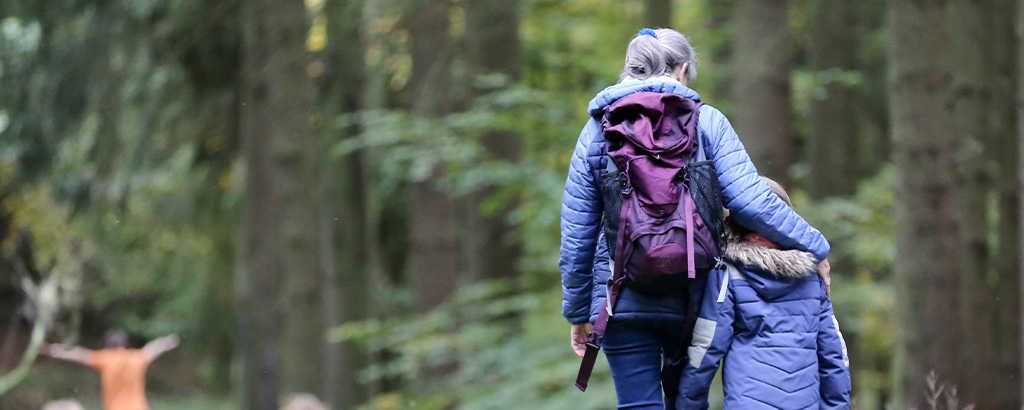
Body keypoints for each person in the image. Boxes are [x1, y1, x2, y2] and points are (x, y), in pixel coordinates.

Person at [559, 27, 831, 409]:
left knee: (639, 405)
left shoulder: (597, 131)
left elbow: (577, 234)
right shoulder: (708, 123)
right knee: (686, 402)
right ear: (682, 68)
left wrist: (577, 311)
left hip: (620, 294)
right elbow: (752, 203)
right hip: (694, 294)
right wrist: (816, 247)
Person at [676, 177, 851, 409]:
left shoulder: (728, 273)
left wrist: (689, 404)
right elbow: (834, 356)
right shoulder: (812, 278)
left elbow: (707, 346)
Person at [40, 329, 180, 410]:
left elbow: (78, 354)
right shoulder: (137, 358)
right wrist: (168, 341)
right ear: (125, 344)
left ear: (107, 345)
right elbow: (153, 348)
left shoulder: (105, 359)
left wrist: (52, 349)